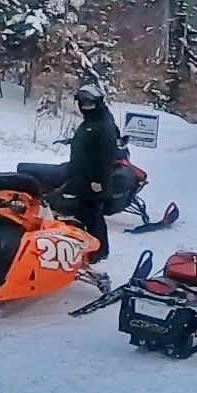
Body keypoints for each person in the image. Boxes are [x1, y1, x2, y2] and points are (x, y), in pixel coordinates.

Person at [63, 84, 120, 262]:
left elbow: (107, 156)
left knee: (93, 213)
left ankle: (99, 250)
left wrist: (99, 181)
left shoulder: (103, 124)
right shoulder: (91, 122)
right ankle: (91, 247)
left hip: (94, 178)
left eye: (89, 103)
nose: (86, 106)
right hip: (82, 175)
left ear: (98, 102)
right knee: (84, 212)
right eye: (83, 103)